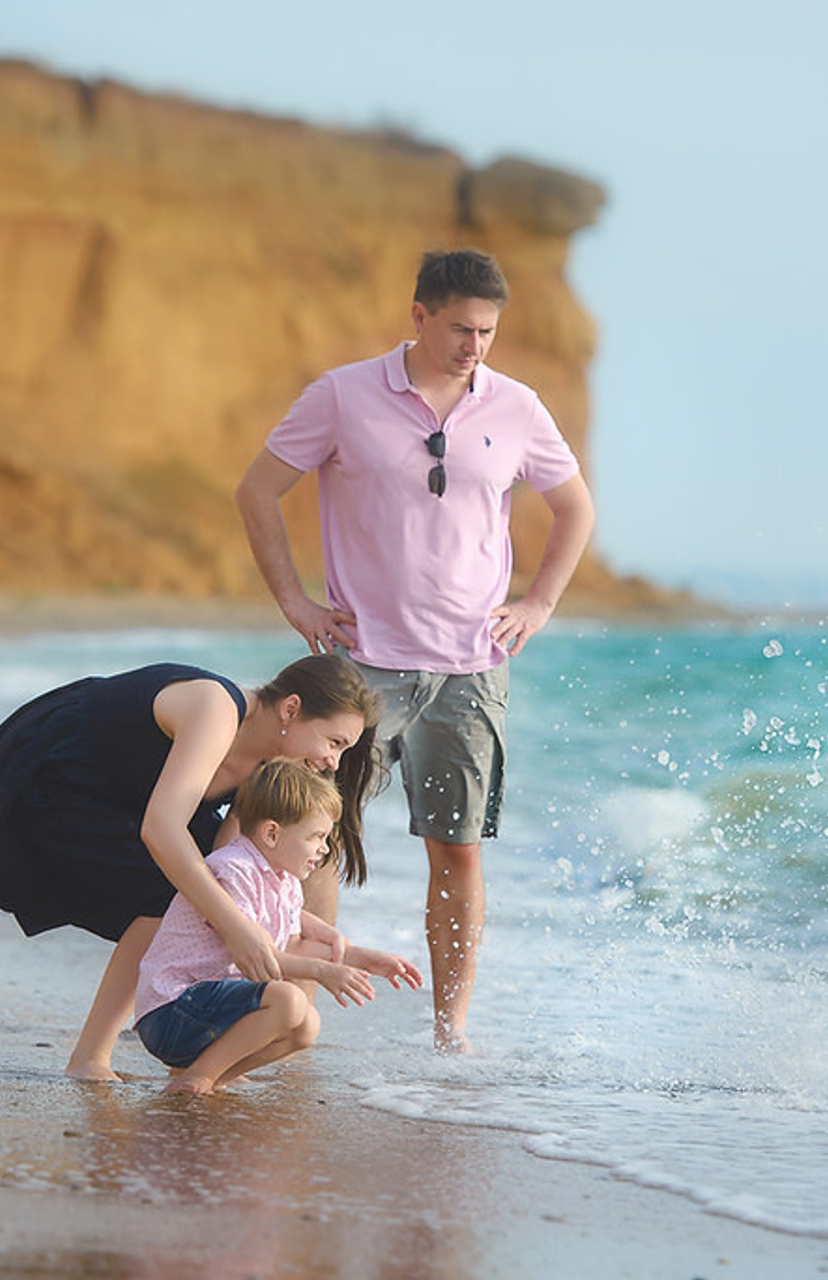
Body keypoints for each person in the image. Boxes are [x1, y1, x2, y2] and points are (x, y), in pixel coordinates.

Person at [235, 248, 596, 1052]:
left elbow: (574, 508)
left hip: (473, 667)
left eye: (489, 332)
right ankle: (303, 1003)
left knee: (459, 852)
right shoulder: (342, 395)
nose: (475, 346)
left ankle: (450, 1032)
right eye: (461, 328)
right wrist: (295, 601)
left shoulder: (517, 407)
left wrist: (538, 604)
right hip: (364, 663)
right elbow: (257, 490)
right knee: (315, 832)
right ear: (419, 317)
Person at [0, 652, 383, 1081]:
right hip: (51, 768)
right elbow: (162, 830)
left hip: (125, 798)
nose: (335, 763)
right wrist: (237, 931)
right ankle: (90, 1058)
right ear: (291, 709)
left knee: (197, 881)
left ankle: (195, 1047)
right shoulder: (216, 708)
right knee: (170, 886)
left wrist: (339, 951)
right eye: (334, 743)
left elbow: (233, 876)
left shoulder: (266, 772)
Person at [135, 758, 421, 1095]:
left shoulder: (284, 881)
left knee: (306, 1026)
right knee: (289, 1000)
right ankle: (200, 1076)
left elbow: (291, 944)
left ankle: (206, 1075)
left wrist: (359, 957)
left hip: (205, 1013)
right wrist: (320, 972)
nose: (324, 848)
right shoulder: (233, 869)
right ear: (272, 833)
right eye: (316, 836)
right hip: (171, 1010)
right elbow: (263, 956)